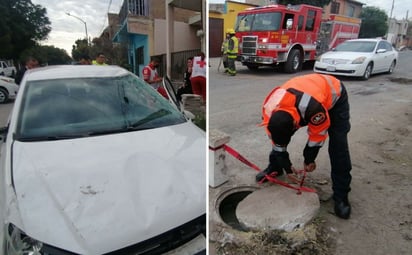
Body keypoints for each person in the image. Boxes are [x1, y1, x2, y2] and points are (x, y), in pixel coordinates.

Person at [256, 73, 352, 219]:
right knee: (279, 138)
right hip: (306, 97)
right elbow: (277, 144)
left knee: (338, 145)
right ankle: (275, 168)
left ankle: (341, 195)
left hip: (334, 97)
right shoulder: (269, 112)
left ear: (296, 125)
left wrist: (309, 159)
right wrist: (287, 167)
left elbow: (317, 136)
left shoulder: (313, 109)